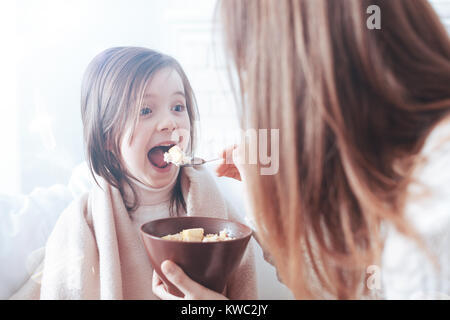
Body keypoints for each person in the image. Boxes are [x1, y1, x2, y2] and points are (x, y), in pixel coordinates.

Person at [213, 0, 450, 299]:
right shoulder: (397, 168)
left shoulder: (430, 213)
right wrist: (269, 205)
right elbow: (351, 288)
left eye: (253, 70)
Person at [10, 47, 257, 299]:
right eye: (145, 110)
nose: (170, 122)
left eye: (178, 106)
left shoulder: (216, 211)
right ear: (107, 137)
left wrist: (260, 189)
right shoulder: (81, 225)